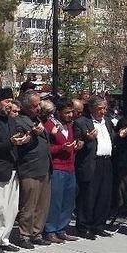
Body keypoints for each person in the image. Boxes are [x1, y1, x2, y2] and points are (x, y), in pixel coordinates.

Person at [0, 88, 31, 253]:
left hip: (13, 169)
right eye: (6, 101)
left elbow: (15, 138)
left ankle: (4, 238)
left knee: (11, 208)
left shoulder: (10, 120)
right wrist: (11, 142)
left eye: (11, 101)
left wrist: (23, 140)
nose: (9, 105)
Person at [74, 96, 127, 239]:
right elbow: (77, 143)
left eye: (104, 108)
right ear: (91, 109)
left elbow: (110, 139)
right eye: (100, 109)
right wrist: (87, 139)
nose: (103, 112)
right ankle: (83, 226)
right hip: (92, 162)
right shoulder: (82, 122)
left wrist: (119, 135)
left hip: (107, 161)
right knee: (88, 196)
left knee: (104, 195)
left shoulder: (108, 122)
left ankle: (98, 225)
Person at [12, 90, 52, 248]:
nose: (38, 109)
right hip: (30, 167)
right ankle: (25, 235)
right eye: (35, 106)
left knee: (42, 204)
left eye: (39, 105)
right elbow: (20, 142)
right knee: (29, 204)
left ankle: (37, 232)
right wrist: (33, 135)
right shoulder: (19, 121)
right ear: (27, 107)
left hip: (44, 167)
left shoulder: (38, 119)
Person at [44, 98, 81, 243]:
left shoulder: (70, 126)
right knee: (56, 200)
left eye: (71, 112)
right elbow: (46, 148)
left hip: (70, 167)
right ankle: (50, 229)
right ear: (58, 112)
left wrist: (77, 146)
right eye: (67, 113)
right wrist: (61, 148)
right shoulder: (49, 125)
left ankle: (62, 228)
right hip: (57, 167)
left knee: (68, 200)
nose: (70, 115)